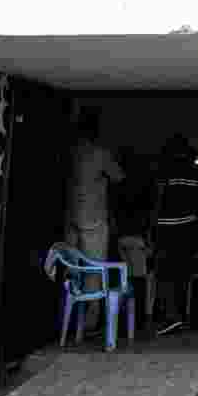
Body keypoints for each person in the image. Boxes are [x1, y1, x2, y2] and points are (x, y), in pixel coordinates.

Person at [64, 107, 125, 332]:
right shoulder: (100, 153)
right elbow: (119, 177)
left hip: (70, 220)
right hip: (94, 219)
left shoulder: (69, 152)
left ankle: (67, 320)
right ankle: (90, 323)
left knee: (70, 269)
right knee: (94, 272)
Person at [152, 134, 198, 335]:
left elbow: (158, 199)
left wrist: (152, 226)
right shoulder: (195, 170)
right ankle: (181, 317)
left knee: (164, 273)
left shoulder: (164, 168)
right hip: (189, 228)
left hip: (167, 228)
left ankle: (171, 317)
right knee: (183, 273)